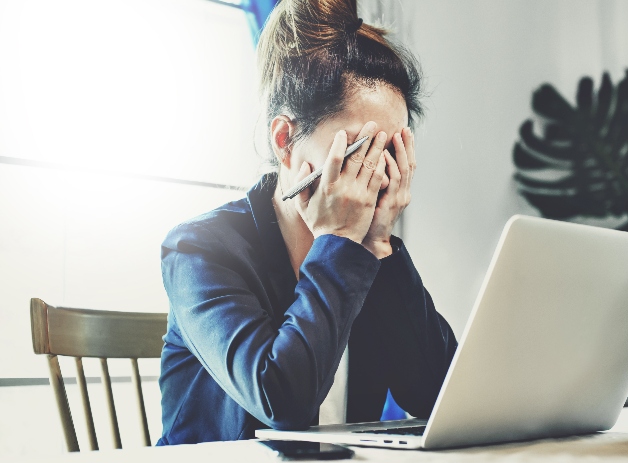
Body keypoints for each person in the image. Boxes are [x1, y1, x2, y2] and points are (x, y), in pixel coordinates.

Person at [156, 0, 457, 445]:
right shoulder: (200, 249)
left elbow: (438, 395)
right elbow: (284, 404)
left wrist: (379, 247)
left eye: (390, 151)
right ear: (285, 141)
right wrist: (338, 240)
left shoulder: (365, 250)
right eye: (361, 150)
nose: (376, 172)